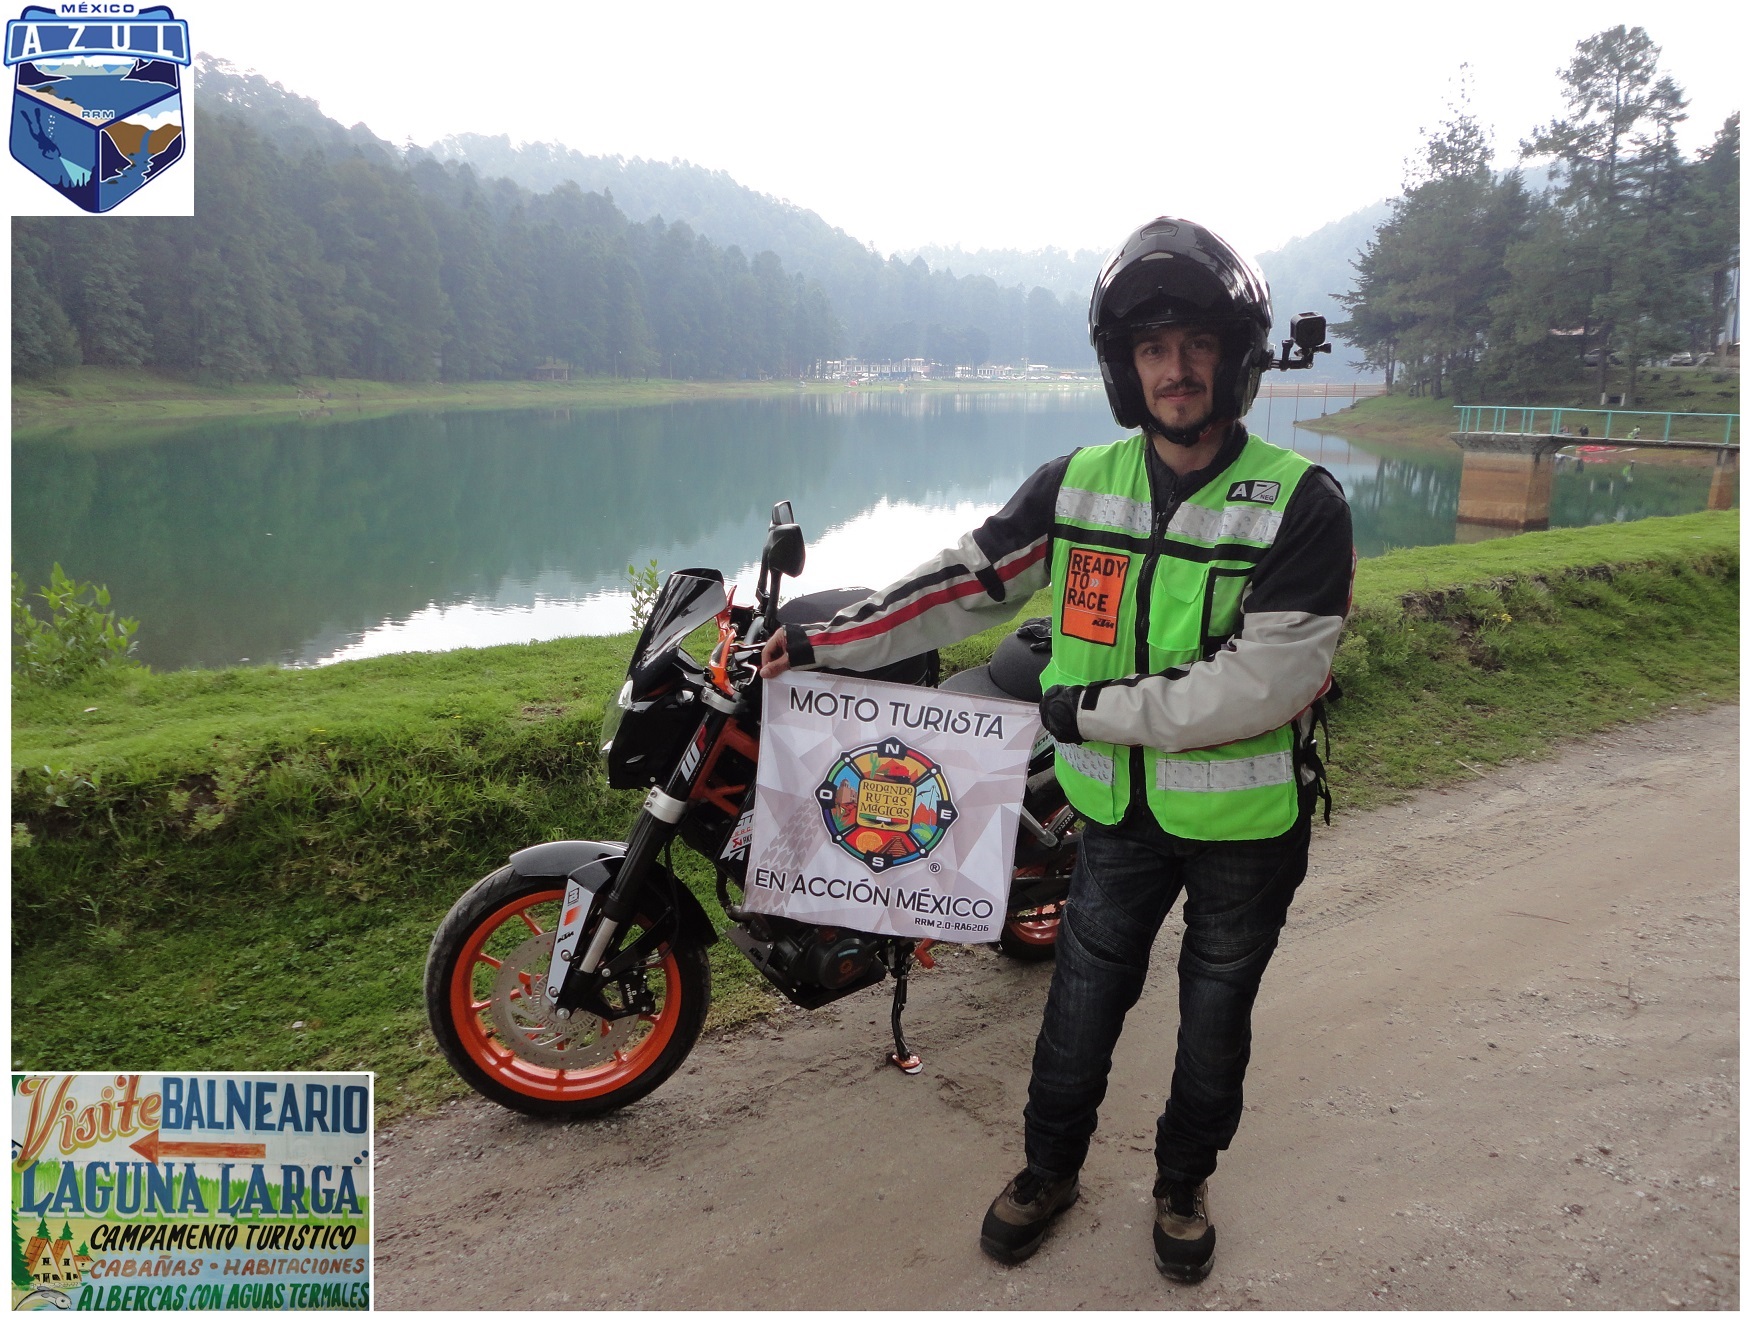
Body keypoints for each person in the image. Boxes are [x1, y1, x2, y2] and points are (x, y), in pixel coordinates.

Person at [760, 216, 1354, 1282]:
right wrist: (818, 639)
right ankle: (1047, 1166)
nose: (1174, 370)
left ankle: (1180, 1182)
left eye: (1195, 345)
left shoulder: (1298, 505)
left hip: (1244, 826)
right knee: (1079, 1001)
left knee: (1215, 1012)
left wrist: (1085, 711)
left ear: (1232, 356)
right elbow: (958, 584)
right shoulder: (1077, 484)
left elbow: (1261, 685)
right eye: (1151, 349)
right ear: (1125, 368)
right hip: (1113, 821)